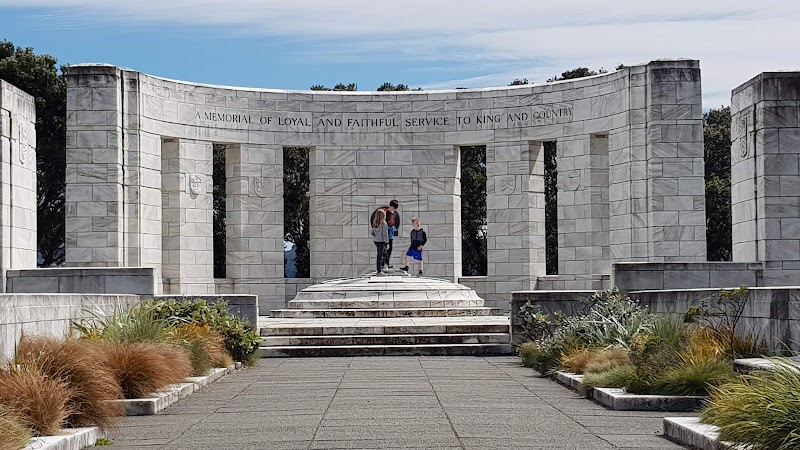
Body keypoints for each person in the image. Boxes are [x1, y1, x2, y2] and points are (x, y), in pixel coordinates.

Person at [370, 200, 401, 269]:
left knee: (390, 248)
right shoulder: (384, 212)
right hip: (384, 234)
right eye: (393, 208)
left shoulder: (394, 213)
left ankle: (387, 262)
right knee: (384, 250)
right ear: (391, 206)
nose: (394, 210)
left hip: (390, 234)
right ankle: (382, 264)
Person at [370, 209, 389, 276]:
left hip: (376, 241)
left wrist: (376, 236)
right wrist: (387, 242)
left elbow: (372, 233)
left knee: (381, 254)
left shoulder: (375, 223)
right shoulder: (384, 224)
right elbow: (385, 234)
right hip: (381, 241)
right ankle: (379, 270)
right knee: (380, 255)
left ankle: (381, 268)